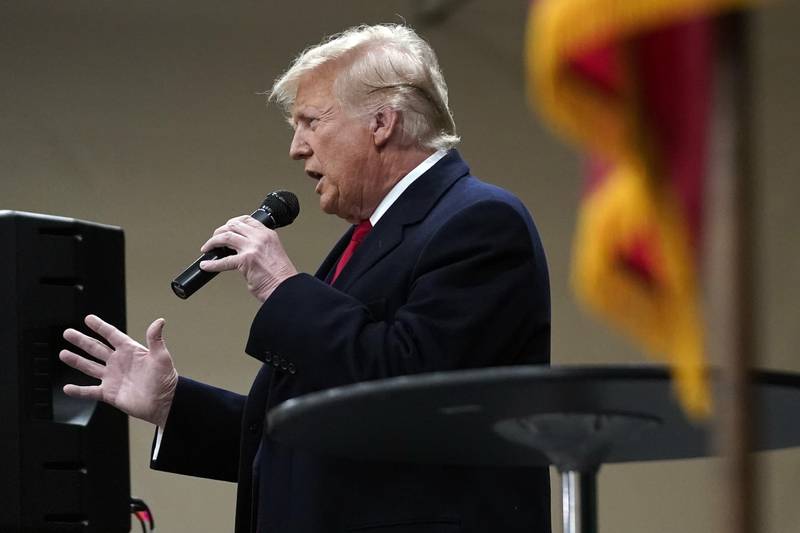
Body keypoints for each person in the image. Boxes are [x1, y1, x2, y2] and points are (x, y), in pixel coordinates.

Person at [59, 24, 552, 533]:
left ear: (382, 122)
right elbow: (317, 435)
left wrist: (282, 287)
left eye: (311, 122)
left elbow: (411, 397)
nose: (297, 148)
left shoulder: (481, 221)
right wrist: (171, 404)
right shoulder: (370, 237)